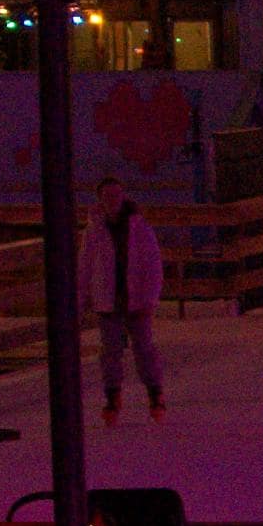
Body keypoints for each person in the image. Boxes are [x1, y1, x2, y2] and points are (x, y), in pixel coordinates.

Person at [91, 178, 172, 428]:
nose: (113, 201)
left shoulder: (139, 227)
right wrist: (83, 294)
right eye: (108, 196)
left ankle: (155, 394)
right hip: (108, 299)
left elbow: (153, 263)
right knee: (110, 350)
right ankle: (112, 397)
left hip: (136, 299)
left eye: (117, 195)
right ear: (101, 200)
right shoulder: (94, 229)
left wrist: (151, 297)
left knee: (144, 348)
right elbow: (86, 264)